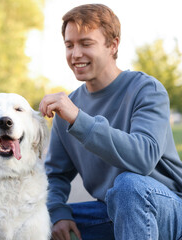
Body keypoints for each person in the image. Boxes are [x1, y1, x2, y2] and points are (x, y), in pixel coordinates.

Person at [39, 4, 182, 240]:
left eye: (86, 44)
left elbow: (143, 159)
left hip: (168, 208)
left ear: (113, 45)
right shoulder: (70, 108)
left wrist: (78, 119)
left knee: (128, 185)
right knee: (32, 220)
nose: (75, 54)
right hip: (114, 211)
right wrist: (57, 212)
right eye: (69, 45)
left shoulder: (146, 90)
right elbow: (55, 175)